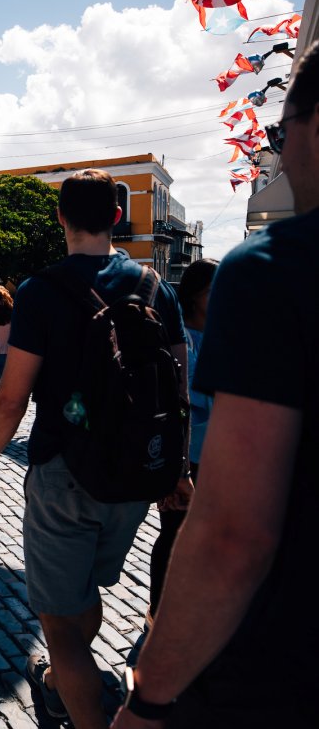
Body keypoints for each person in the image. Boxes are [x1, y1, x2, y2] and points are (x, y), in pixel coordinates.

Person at [111, 40, 319, 729]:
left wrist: (149, 702)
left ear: (311, 125)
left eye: (278, 133)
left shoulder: (273, 270)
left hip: (282, 682)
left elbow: (235, 534)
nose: (277, 153)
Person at [0, 169, 188, 729]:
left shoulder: (41, 292)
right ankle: (69, 686)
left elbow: (10, 400)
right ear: (117, 218)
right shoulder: (153, 285)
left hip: (64, 471)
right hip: (134, 480)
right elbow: (178, 388)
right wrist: (175, 468)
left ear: (60, 219)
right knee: (83, 599)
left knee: (61, 629)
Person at [147, 257, 218, 625]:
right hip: (185, 454)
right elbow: (180, 398)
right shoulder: (181, 337)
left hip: (222, 456)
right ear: (193, 296)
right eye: (212, 290)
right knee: (173, 534)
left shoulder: (228, 335)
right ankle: (158, 612)